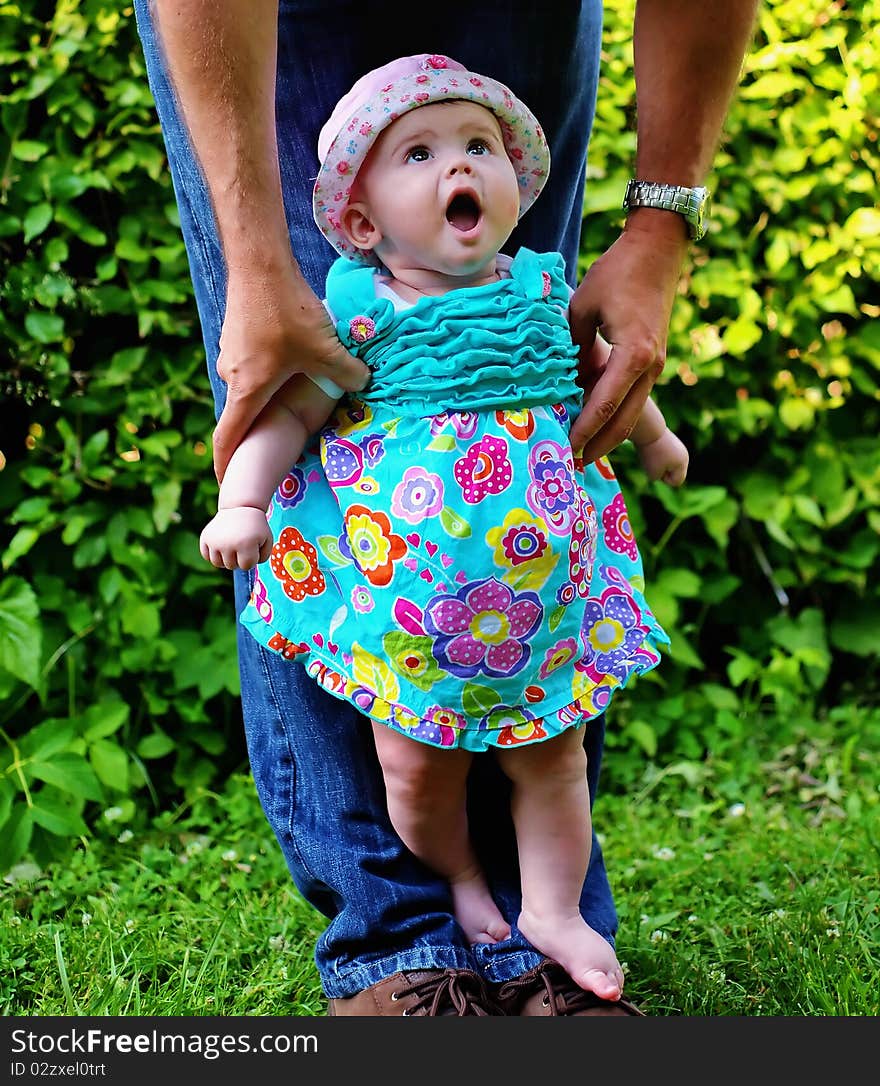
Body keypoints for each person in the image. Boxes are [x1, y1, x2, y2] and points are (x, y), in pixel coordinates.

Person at [134, 0, 759, 1016]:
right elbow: (290, 410)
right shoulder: (360, 313)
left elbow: (593, 377)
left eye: (479, 144)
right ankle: (428, 919)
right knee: (413, 777)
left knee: (551, 767)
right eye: (418, 152)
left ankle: (550, 918)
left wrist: (656, 437)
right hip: (407, 628)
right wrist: (243, 500)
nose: (458, 164)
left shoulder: (540, 289)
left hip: (538, 611)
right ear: (362, 220)